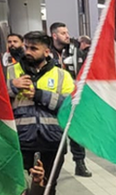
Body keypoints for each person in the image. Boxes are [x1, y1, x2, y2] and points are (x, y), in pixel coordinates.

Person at [6, 31, 75, 195]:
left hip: (52, 139)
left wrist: (40, 95)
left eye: (33, 48)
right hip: (21, 139)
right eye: (26, 47)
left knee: (48, 184)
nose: (27, 51)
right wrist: (11, 87)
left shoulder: (62, 75)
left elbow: (70, 105)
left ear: (47, 51)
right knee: (20, 183)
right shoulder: (11, 71)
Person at [48, 22, 90, 179]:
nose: (67, 35)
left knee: (76, 132)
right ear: (54, 35)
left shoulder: (75, 51)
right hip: (52, 98)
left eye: (67, 32)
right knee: (56, 134)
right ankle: (53, 165)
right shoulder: (48, 52)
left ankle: (80, 164)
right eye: (63, 33)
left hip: (73, 97)